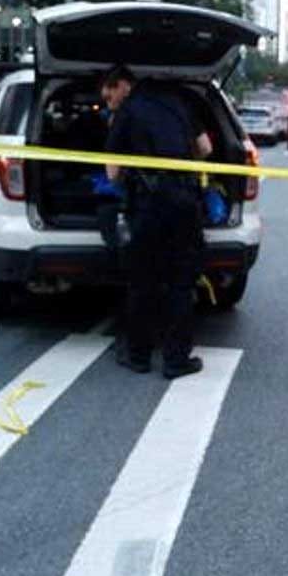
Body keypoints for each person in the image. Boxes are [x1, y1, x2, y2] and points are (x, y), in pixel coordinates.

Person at [102, 65, 211, 379]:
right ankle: (177, 362)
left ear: (123, 85)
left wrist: (128, 182)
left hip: (148, 206)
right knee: (181, 283)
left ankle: (138, 357)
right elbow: (205, 148)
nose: (109, 101)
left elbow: (112, 171)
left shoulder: (127, 111)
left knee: (142, 282)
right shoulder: (180, 102)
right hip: (184, 202)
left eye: (109, 94)